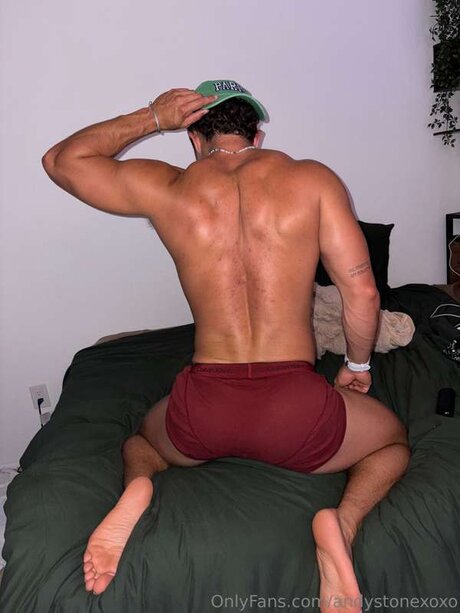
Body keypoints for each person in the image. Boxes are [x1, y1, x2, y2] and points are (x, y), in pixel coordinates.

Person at [42, 80, 409, 612]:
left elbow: (61, 161)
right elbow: (364, 294)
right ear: (256, 135)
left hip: (203, 411)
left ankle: (139, 488)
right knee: (391, 443)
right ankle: (343, 527)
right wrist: (356, 364)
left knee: (141, 444)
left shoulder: (169, 187)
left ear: (195, 138)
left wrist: (152, 117)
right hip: (297, 413)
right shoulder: (312, 179)